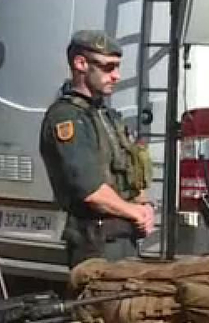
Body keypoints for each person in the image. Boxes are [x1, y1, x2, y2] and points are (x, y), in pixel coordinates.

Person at [40, 30, 153, 268]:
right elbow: (90, 190)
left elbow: (130, 173)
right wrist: (133, 212)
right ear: (80, 64)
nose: (117, 76)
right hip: (94, 241)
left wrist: (145, 207)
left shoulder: (107, 116)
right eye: (108, 68)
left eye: (117, 67)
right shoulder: (67, 117)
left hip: (122, 238)